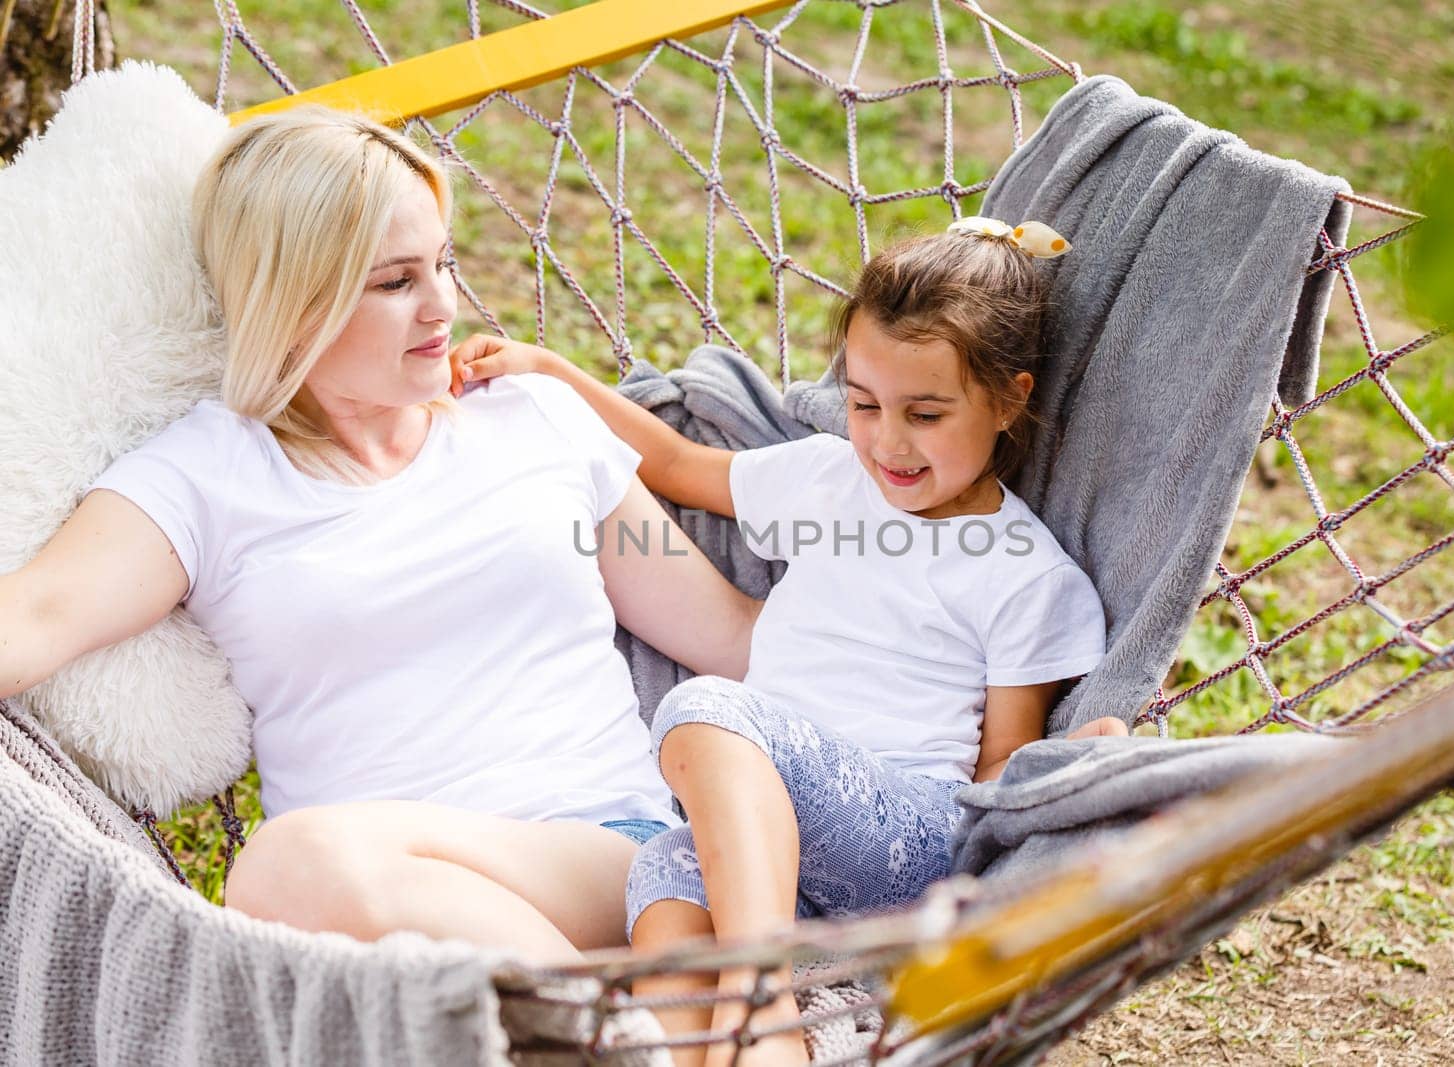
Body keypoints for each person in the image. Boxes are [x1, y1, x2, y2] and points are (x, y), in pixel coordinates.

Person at [0, 106, 764, 965]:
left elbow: (731, 635)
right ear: (295, 304)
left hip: (606, 857)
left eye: (442, 262)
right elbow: (33, 615)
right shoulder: (204, 478)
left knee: (289, 866)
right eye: (396, 282)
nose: (445, 304)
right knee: (297, 871)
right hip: (374, 911)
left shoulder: (537, 421)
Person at [451, 217, 1125, 1065]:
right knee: (663, 869)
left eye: (925, 412)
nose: (888, 440)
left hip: (904, 842)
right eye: (863, 403)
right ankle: (720, 1050)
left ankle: (760, 992)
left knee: (705, 709)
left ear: (1010, 397)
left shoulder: (1026, 573)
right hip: (771, 857)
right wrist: (547, 370)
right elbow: (673, 463)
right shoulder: (827, 479)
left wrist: (1067, 785)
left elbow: (1000, 767)